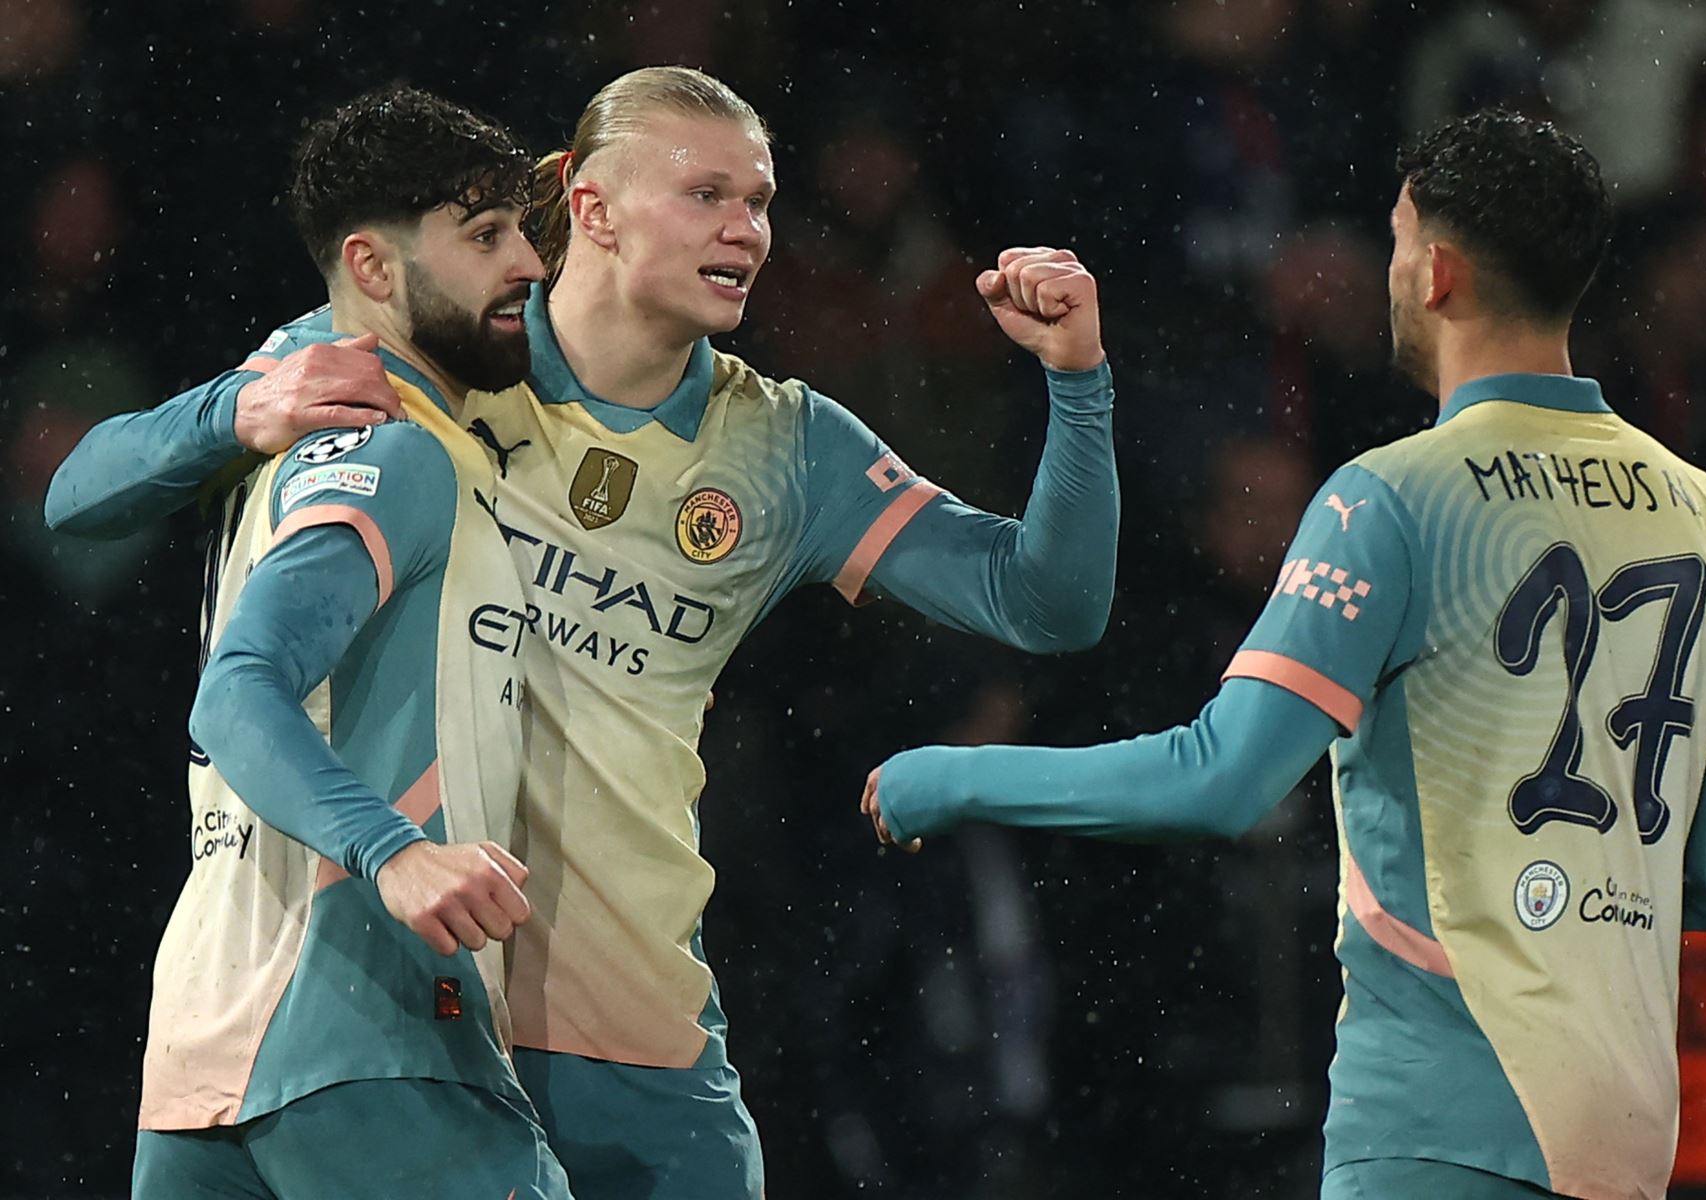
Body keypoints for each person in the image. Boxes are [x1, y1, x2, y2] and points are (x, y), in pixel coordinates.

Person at [46, 66, 1119, 1198]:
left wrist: (1080, 383)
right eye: (706, 194)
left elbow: (1048, 605)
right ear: (591, 206)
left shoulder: (789, 449)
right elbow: (81, 497)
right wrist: (229, 409)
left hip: (629, 1023)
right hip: (412, 994)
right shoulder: (433, 359)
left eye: (759, 201)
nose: (746, 230)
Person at [862, 109, 1706, 1200]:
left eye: (1394, 243)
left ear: (1435, 271)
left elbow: (1221, 778)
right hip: (1622, 1142)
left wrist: (952, 776)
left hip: (1439, 1125)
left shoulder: (1392, 497)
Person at [122, 87, 568, 1199]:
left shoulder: (280, 434)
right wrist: (397, 852)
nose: (530, 264)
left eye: (524, 229)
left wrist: (226, 412)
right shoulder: (402, 455)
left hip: (200, 1058)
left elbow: (75, 493)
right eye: (483, 237)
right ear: (372, 270)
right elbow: (236, 697)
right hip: (374, 1037)